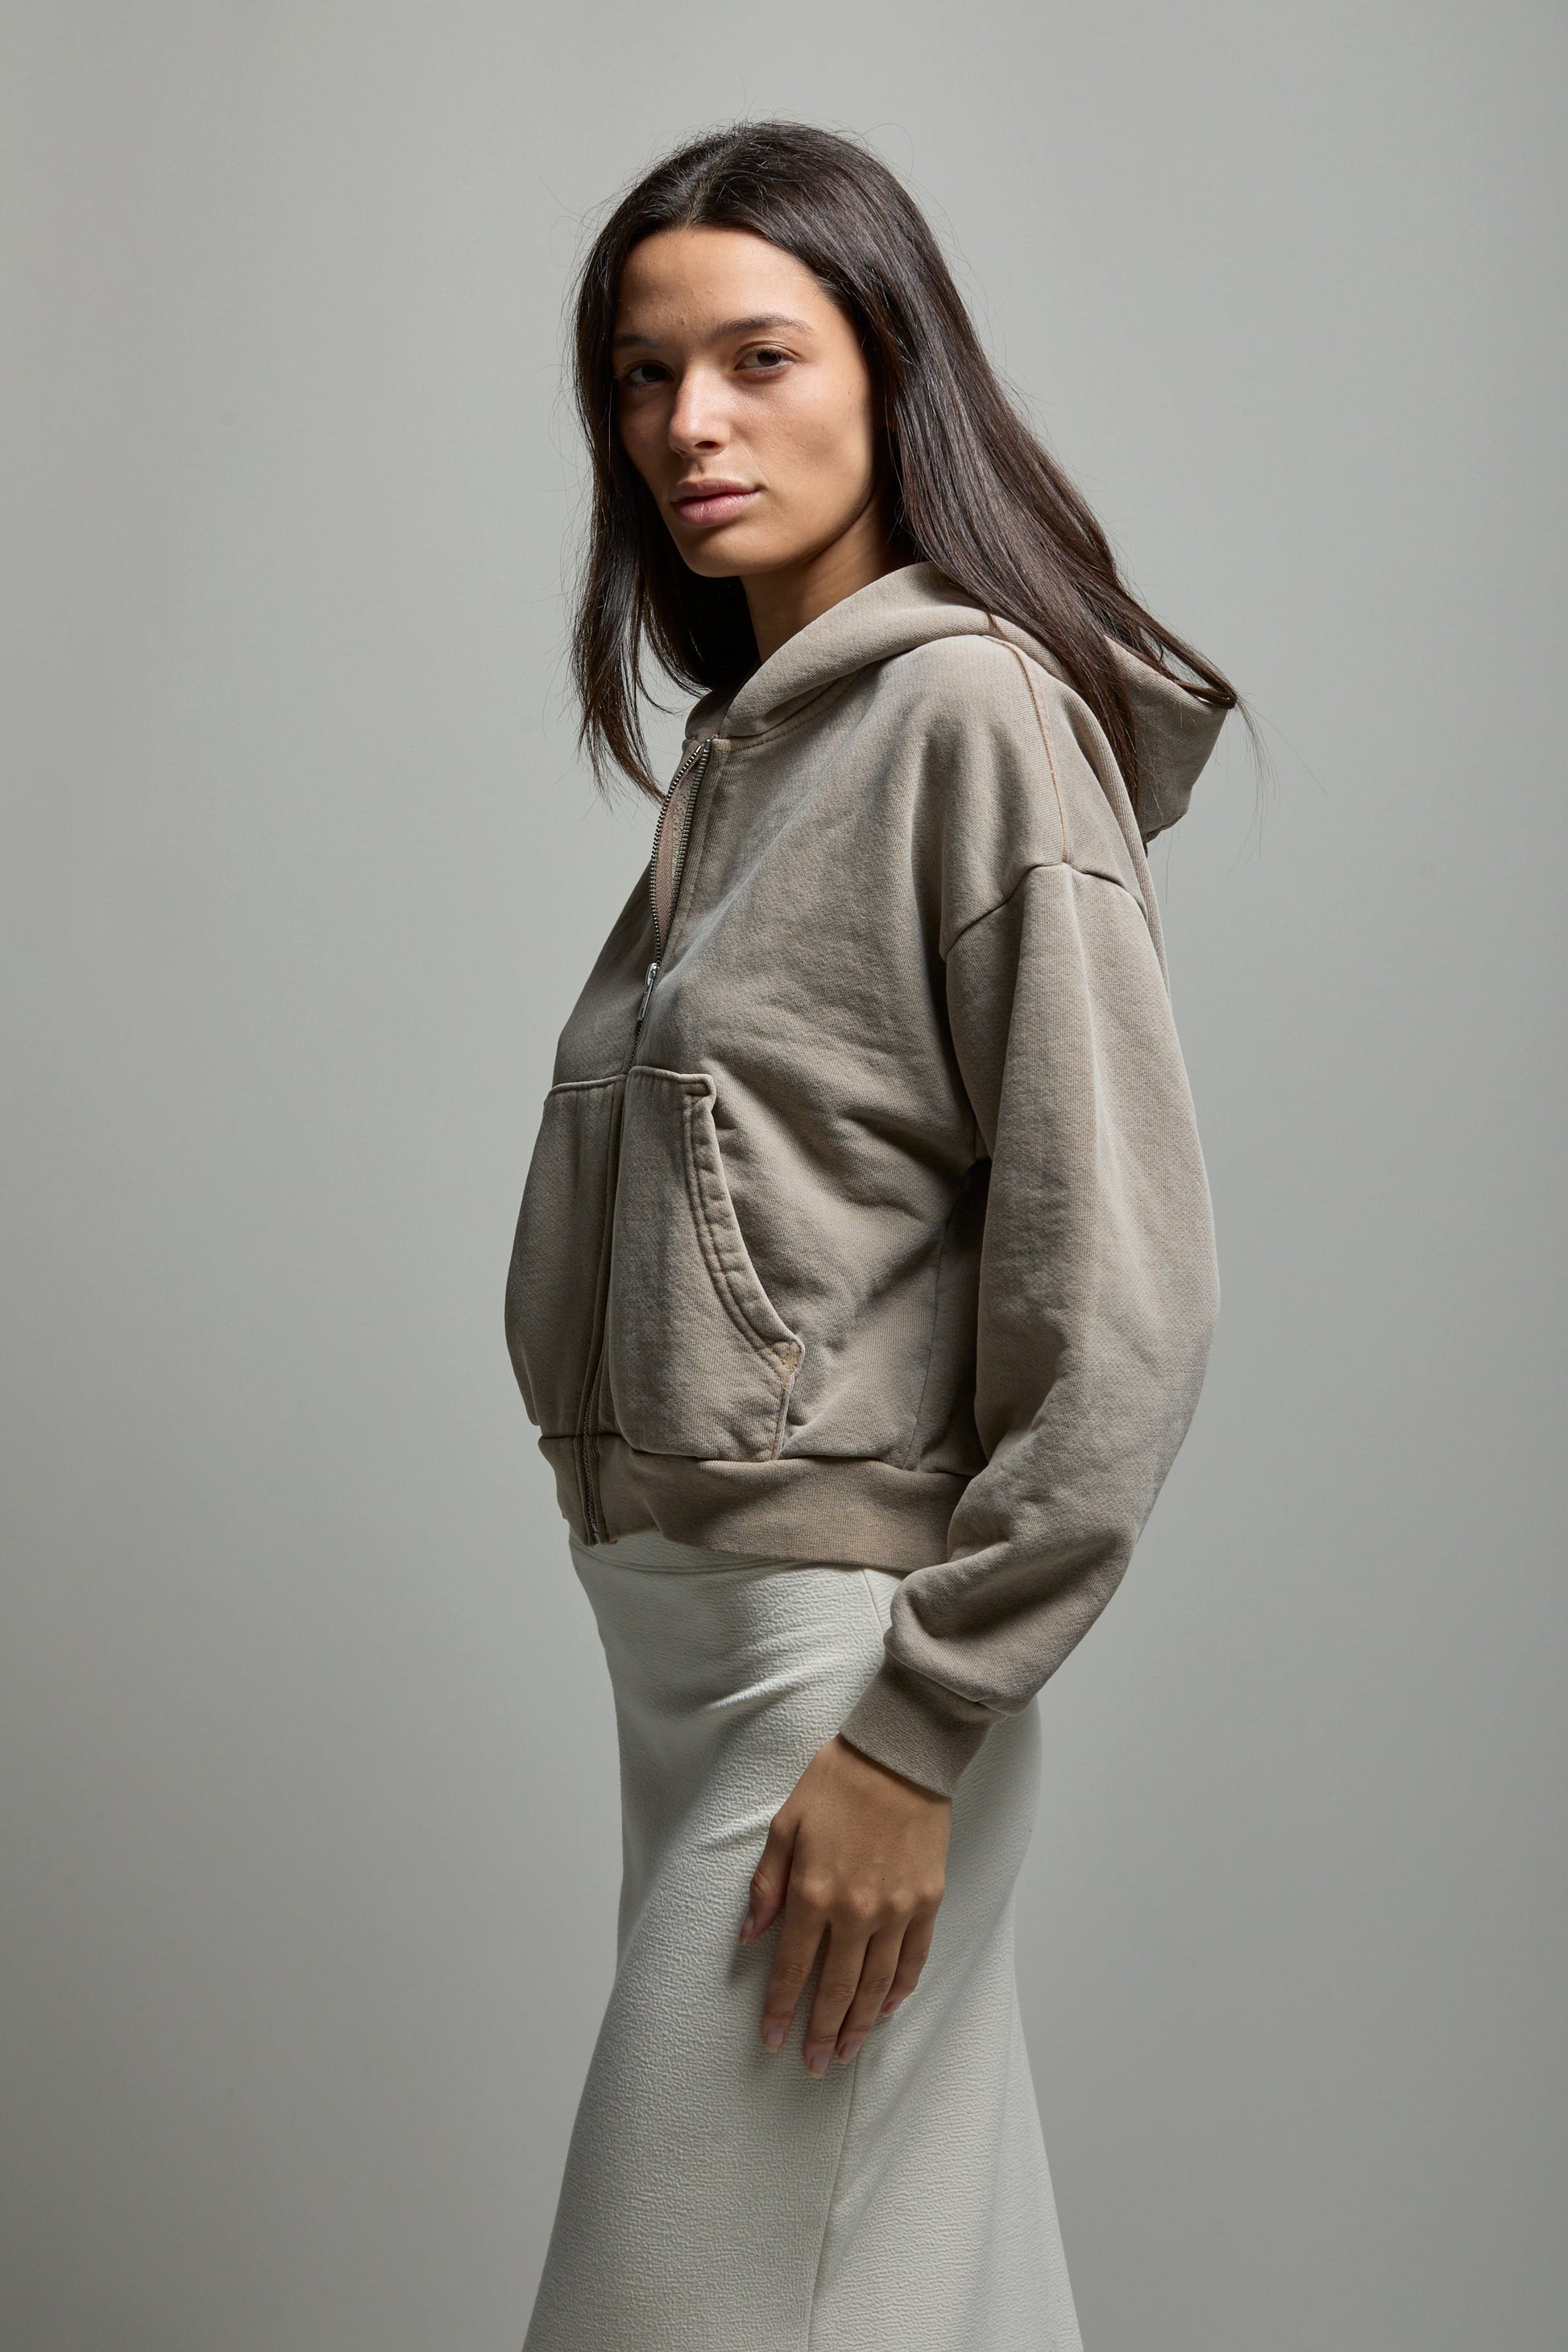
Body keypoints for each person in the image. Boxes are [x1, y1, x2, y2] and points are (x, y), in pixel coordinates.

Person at [506, 118, 1237, 2352]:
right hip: (684, 1654)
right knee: (911, 2295)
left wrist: (918, 1726)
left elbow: (1121, 1295)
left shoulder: (967, 716)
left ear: (887, 370)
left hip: (832, 1670)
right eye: (643, 376)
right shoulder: (760, 747)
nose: (687, 427)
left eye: (757, 357)